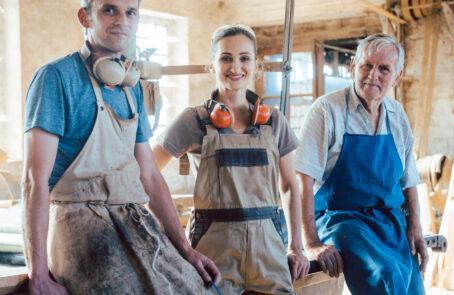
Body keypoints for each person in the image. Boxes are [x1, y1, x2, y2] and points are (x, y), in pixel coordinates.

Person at [21, 0, 220, 294]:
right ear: (84, 17)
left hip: (133, 219)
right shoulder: (56, 78)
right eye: (109, 10)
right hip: (80, 224)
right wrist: (37, 275)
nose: (122, 21)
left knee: (196, 287)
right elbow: (33, 181)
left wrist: (186, 251)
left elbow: (149, 175)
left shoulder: (132, 86)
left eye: (131, 12)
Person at [152, 24, 309, 294]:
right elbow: (147, 174)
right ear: (211, 65)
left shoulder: (273, 121)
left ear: (256, 65)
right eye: (226, 58)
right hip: (213, 254)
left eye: (244, 58)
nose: (235, 67)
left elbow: (289, 186)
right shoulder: (194, 120)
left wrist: (297, 246)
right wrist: (176, 243)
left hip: (269, 251)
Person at [295, 33, 428, 294]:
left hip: (389, 222)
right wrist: (310, 242)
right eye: (367, 65)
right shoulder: (326, 110)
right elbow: (303, 181)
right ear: (353, 66)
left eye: (384, 69)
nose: (373, 75)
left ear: (396, 77)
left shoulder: (397, 114)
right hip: (342, 220)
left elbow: (409, 180)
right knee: (382, 275)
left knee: (414, 286)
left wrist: (415, 227)